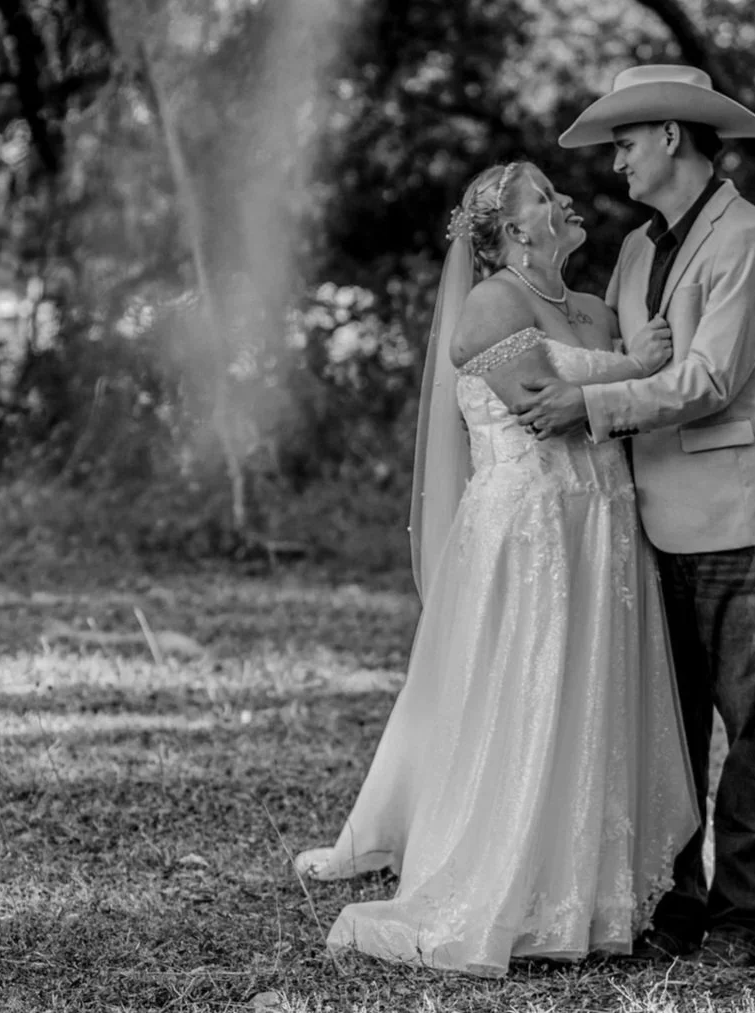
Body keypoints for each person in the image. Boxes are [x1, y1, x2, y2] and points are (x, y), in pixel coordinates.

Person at [294, 159, 699, 977]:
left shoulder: (587, 305)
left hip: (605, 525)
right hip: (534, 529)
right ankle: (516, 874)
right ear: (516, 230)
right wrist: (640, 362)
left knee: (594, 693)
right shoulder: (489, 304)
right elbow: (541, 406)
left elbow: (647, 399)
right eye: (545, 198)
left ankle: (595, 880)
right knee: (533, 688)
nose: (565, 201)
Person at [515, 64, 755, 969]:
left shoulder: (749, 238)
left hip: (743, 520)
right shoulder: (640, 248)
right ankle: (675, 902)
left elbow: (710, 379)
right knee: (670, 727)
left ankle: (738, 916)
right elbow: (624, 354)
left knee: (751, 726)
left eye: (626, 142)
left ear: (672, 136)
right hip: (649, 518)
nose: (617, 163)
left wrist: (590, 409)